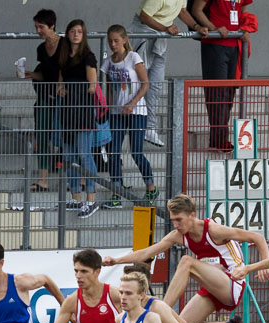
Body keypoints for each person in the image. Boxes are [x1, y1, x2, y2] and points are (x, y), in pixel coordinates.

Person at [103, 193, 269, 323]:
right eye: (173, 220)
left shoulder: (214, 230)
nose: (175, 225)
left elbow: (257, 237)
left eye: (179, 220)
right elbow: (146, 252)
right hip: (212, 286)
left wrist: (265, 265)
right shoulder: (178, 235)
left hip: (232, 283)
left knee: (186, 261)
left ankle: (161, 310)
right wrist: (116, 260)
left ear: (192, 215)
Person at [129, 0, 208, 147]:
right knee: (138, 82)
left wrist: (196, 27)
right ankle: (126, 126)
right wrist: (166, 28)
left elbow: (182, 11)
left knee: (156, 84)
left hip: (161, 35)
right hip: (144, 32)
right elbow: (144, 16)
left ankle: (150, 128)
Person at [100, 25, 157, 209]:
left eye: (116, 40)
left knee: (136, 151)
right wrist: (107, 109)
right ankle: (116, 191)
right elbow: (109, 88)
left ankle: (151, 187)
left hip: (137, 111)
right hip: (117, 113)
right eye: (110, 41)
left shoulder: (133, 58)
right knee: (113, 151)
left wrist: (133, 103)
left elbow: (145, 83)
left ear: (124, 40)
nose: (113, 44)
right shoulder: (108, 62)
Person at [190, 0, 253, 152]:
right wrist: (213, 28)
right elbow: (196, 10)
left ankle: (220, 137)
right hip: (215, 44)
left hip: (235, 44)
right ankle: (220, 139)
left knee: (229, 93)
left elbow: (243, 11)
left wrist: (245, 28)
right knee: (217, 93)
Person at [56, 19, 100, 218]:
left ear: (84, 35)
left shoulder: (87, 56)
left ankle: (91, 199)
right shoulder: (64, 55)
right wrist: (61, 87)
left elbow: (93, 84)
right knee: (69, 156)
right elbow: (60, 78)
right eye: (72, 31)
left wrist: (77, 91)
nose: (75, 34)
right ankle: (75, 197)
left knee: (84, 154)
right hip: (67, 111)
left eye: (79, 31)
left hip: (82, 108)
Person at [25, 9, 63, 192]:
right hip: (46, 97)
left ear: (52, 26)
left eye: (41, 27)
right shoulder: (41, 49)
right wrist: (31, 74)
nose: (38, 31)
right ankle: (43, 179)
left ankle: (76, 180)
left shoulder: (65, 45)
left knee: (68, 138)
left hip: (64, 100)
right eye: (36, 27)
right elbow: (44, 74)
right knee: (42, 134)